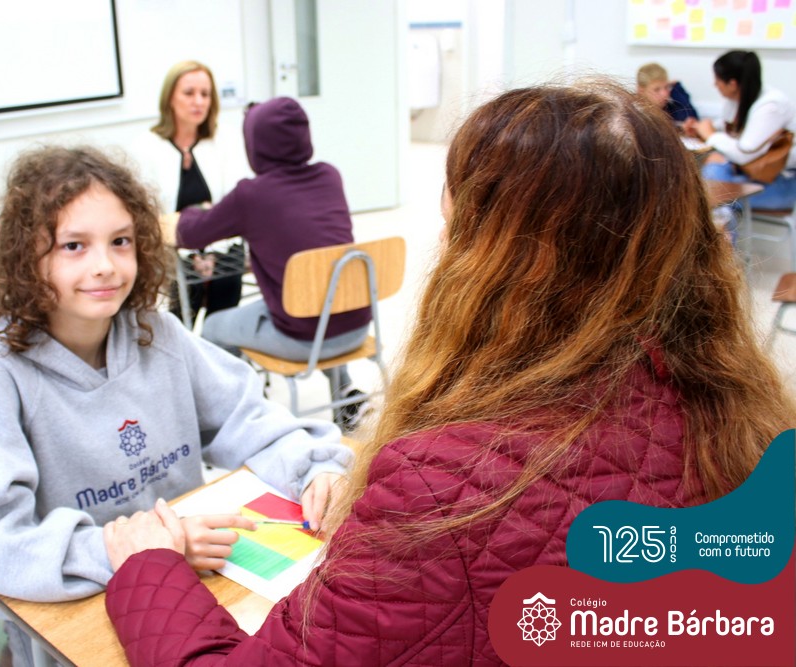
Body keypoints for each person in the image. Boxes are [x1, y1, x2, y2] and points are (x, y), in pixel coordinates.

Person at [101, 81, 796, 665]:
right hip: (349, 322)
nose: (443, 239)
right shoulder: (744, 416)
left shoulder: (442, 486)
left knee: (220, 326)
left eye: (454, 222)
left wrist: (146, 565)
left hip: (293, 332)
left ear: (498, 259)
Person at [0, 145, 350, 665]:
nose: (105, 266)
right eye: (73, 246)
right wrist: (141, 551)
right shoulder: (1, 370)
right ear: (28, 258)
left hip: (187, 589)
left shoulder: (156, 333)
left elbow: (247, 416)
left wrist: (315, 471)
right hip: (74, 616)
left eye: (120, 241)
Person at [172, 96, 372, 430]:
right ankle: (345, 396)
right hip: (358, 326)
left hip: (303, 340)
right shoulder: (329, 176)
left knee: (213, 327)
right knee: (323, 296)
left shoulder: (252, 195)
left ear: (254, 144)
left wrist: (192, 211)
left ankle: (237, 416)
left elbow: (189, 234)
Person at [134, 60, 247, 328]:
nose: (199, 101)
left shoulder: (226, 138)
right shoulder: (146, 146)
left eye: (205, 94)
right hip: (171, 249)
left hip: (224, 244)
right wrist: (193, 253)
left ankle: (218, 345)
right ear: (170, 98)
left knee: (222, 316)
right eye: (189, 93)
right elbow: (148, 215)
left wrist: (211, 252)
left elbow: (236, 201)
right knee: (178, 318)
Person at [685, 50, 796, 211]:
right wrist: (699, 128)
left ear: (732, 84)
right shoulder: (739, 98)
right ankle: (721, 223)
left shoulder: (771, 106)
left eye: (717, 80)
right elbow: (726, 126)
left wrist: (710, 134)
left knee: (712, 190)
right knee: (712, 179)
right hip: (749, 176)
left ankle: (721, 224)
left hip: (782, 184)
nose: (715, 85)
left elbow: (744, 153)